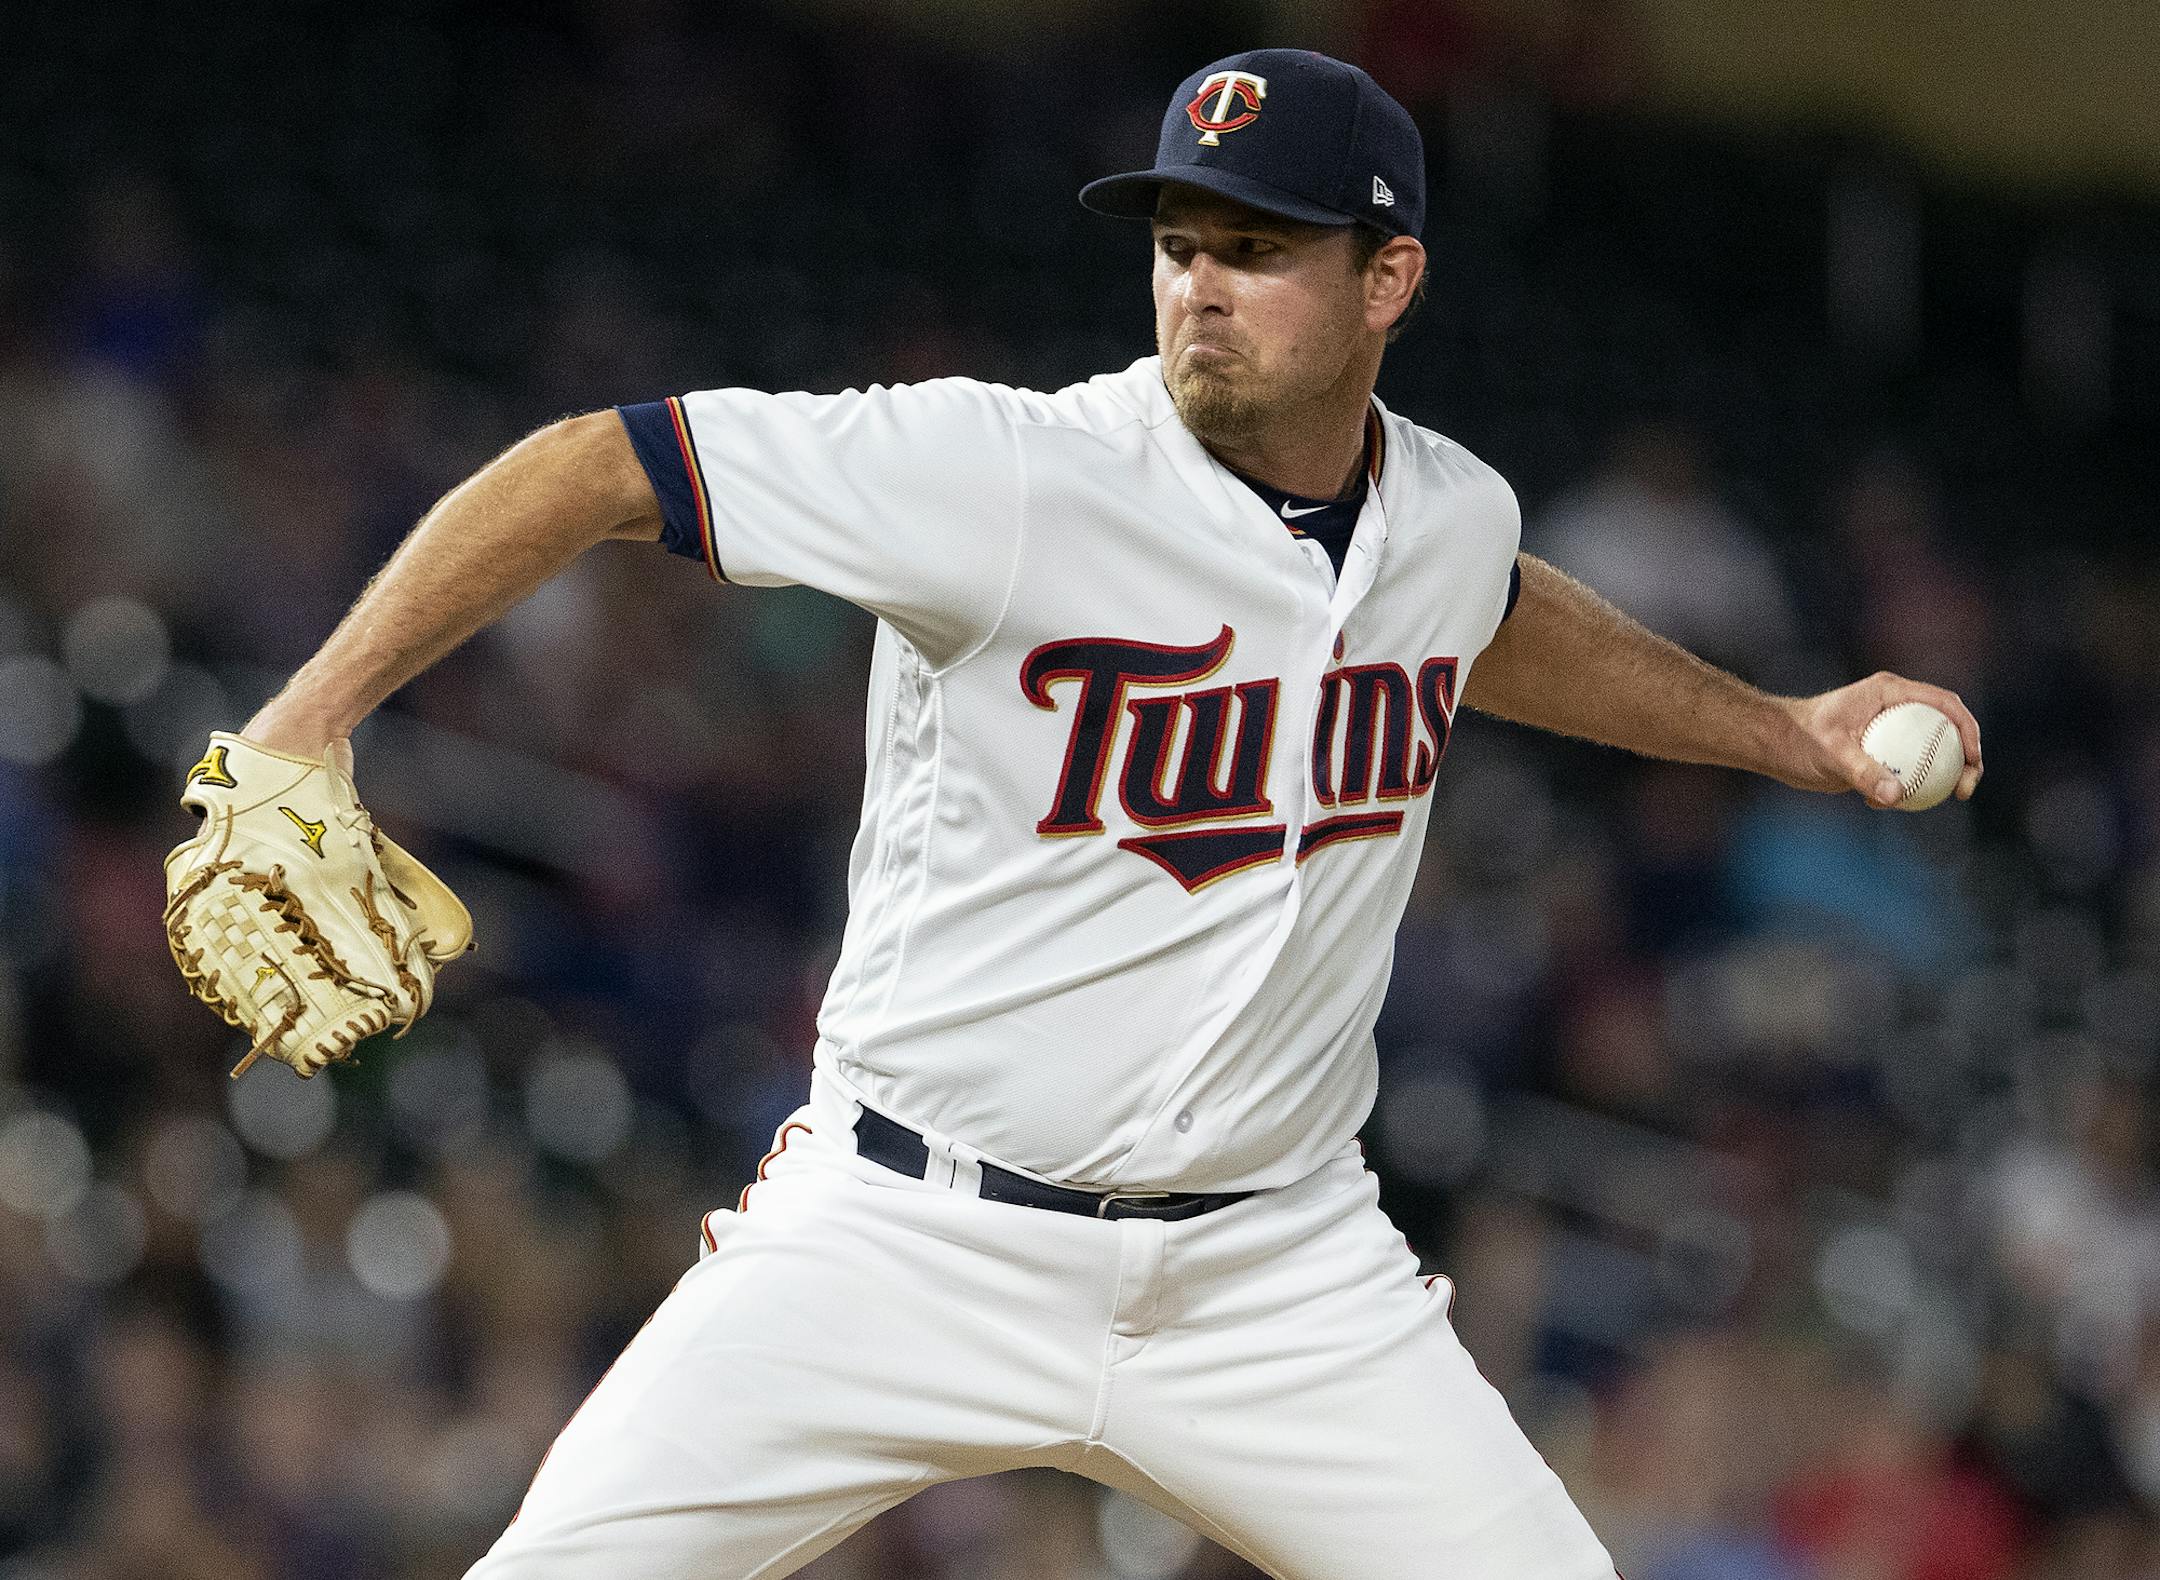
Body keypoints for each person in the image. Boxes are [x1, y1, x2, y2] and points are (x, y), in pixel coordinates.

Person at [235, 48, 1981, 1580]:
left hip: (1276, 1274)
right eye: (1178, 245)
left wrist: (1789, 733)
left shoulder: (1449, 515)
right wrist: (305, 726)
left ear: (1392, 279)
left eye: (1260, 250)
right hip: (908, 1232)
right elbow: (600, 464)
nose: (1201, 287)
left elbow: (1493, 616)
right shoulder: (1003, 474)